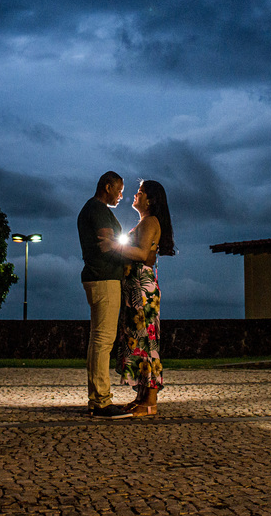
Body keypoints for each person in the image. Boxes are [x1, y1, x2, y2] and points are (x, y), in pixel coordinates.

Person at [101, 179, 175, 417]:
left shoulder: (151, 222)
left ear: (150, 200)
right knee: (138, 340)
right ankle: (141, 397)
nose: (135, 195)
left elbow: (143, 254)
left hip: (141, 290)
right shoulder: (146, 222)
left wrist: (113, 246)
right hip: (136, 288)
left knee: (147, 342)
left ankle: (150, 400)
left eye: (140, 192)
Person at [77, 171, 133, 419]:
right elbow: (107, 244)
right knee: (103, 341)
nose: (122, 195)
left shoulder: (92, 208)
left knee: (98, 341)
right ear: (107, 186)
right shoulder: (97, 209)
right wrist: (132, 252)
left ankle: (97, 398)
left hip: (98, 277)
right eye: (119, 189)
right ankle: (101, 401)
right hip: (104, 279)